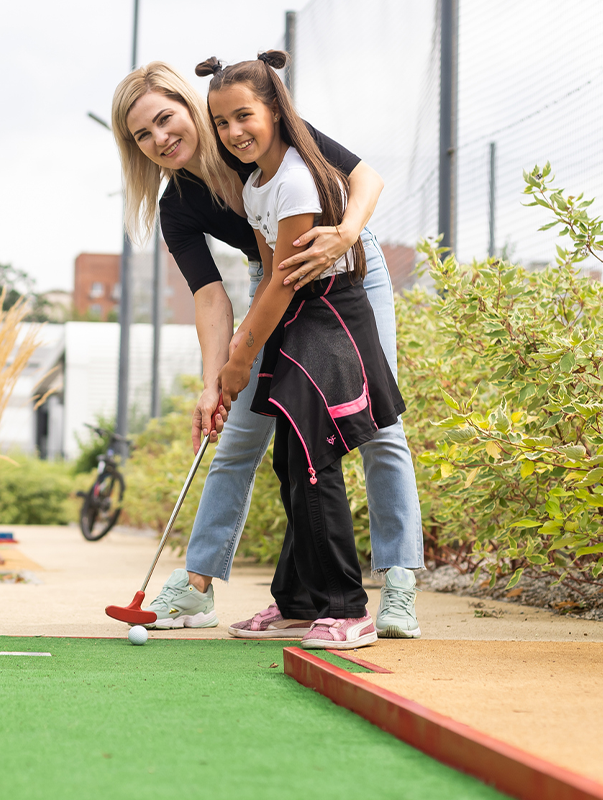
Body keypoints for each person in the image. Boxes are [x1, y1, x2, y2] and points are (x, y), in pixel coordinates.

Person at [110, 62, 423, 637]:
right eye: (142, 135)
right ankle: (199, 587)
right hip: (271, 281)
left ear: (189, 106)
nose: (160, 139)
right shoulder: (176, 206)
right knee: (241, 436)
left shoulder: (250, 125)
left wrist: (348, 232)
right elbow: (210, 299)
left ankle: (399, 585)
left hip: (345, 264)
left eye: (165, 119)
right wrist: (214, 381)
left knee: (380, 427)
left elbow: (366, 177)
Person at [207, 50, 404, 649]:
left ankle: (348, 609)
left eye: (244, 116)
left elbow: (287, 281)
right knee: (292, 459)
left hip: (331, 315)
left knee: (313, 460)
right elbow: (268, 273)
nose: (234, 132)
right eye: (221, 123)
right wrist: (245, 347)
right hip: (299, 318)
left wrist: (240, 357)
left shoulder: (295, 178)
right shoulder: (255, 183)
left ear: (274, 111)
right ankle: (297, 603)